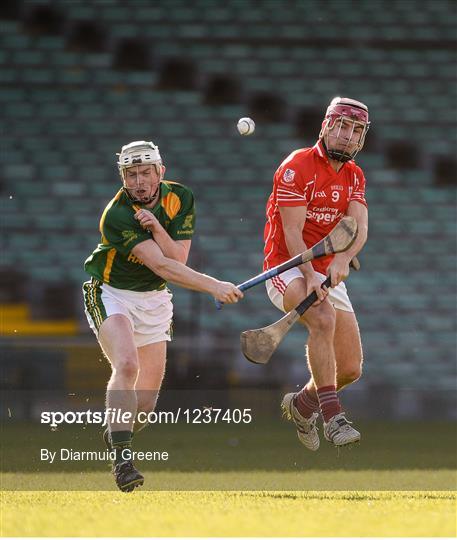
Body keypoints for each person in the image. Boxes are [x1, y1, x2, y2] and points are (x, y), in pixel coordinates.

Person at [83, 140, 242, 491]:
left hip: (153, 301)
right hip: (111, 293)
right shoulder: (117, 214)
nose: (138, 182)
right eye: (131, 174)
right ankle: (122, 463)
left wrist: (156, 227)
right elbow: (163, 266)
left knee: (144, 407)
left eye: (145, 173)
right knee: (126, 366)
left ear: (160, 172)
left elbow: (178, 258)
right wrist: (215, 286)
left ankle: (116, 429)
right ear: (123, 177)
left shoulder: (181, 198)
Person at [263, 97, 370, 449]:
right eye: (341, 126)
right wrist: (310, 275)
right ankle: (333, 417)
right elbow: (292, 232)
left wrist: (344, 258)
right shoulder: (297, 166)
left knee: (351, 368)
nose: (347, 136)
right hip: (288, 267)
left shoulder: (354, 175)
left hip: (325, 270)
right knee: (322, 318)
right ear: (325, 126)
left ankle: (302, 404)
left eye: (356, 130)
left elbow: (358, 226)